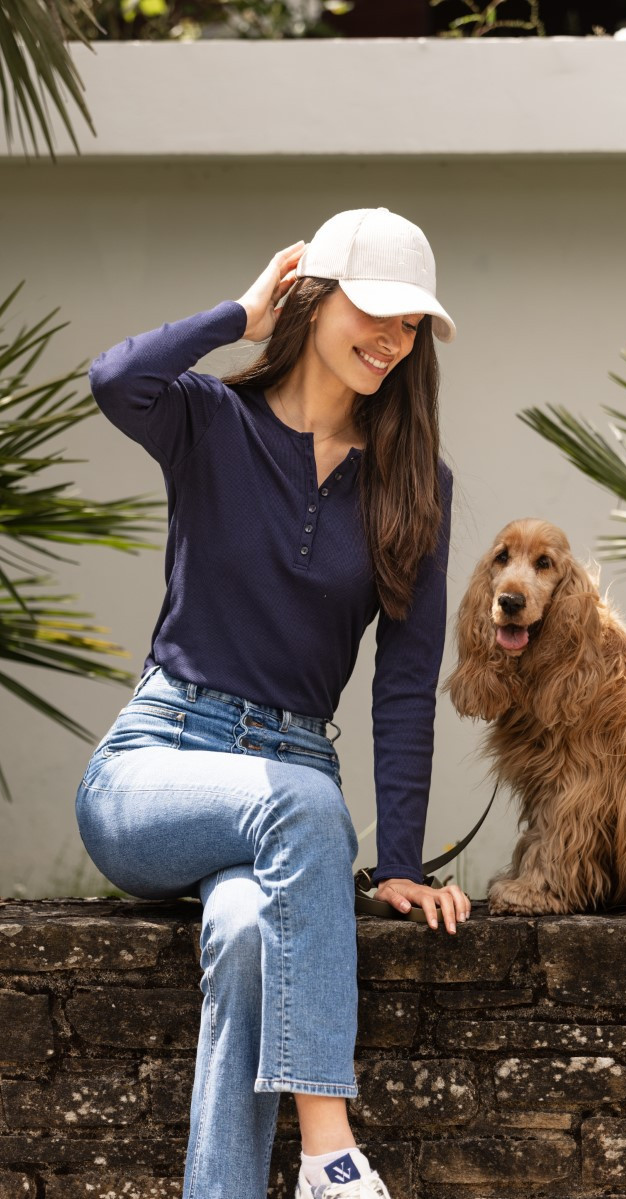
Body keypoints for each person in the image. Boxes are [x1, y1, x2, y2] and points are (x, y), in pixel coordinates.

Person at [74, 207, 470, 1199]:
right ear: (312, 298)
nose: (392, 339)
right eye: (374, 311)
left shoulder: (414, 483)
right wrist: (238, 315)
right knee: (304, 804)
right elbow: (115, 380)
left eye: (410, 323)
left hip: (292, 782)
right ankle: (332, 1156)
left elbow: (404, 683)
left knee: (253, 935)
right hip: (157, 765)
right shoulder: (212, 421)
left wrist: (402, 862)